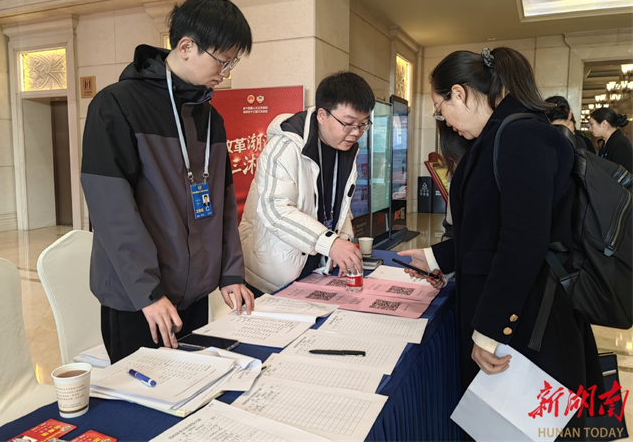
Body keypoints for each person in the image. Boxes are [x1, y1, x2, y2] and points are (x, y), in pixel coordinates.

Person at [398, 47, 602, 436]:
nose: (445, 121)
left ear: (460, 93)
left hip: (528, 322)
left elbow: (522, 242)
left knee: (525, 430)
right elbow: (487, 233)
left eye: (442, 108)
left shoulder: (521, 136)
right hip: (521, 311)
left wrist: (490, 331)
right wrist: (433, 256)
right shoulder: (500, 137)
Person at [81, 0, 255, 363]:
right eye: (223, 60)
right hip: (139, 299)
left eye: (232, 62)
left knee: (192, 392)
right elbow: (112, 211)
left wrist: (230, 274)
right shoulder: (116, 106)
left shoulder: (211, 119)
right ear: (186, 46)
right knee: (143, 405)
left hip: (193, 294)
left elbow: (221, 205)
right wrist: (148, 291)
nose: (226, 72)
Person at [239, 72, 375, 294]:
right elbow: (275, 210)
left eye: (363, 125)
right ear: (322, 115)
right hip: (272, 277)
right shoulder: (285, 148)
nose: (356, 133)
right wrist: (330, 244)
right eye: (349, 124)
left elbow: (341, 207)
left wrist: (343, 242)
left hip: (315, 270)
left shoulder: (345, 150)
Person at [589, 107, 632, 172]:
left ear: (604, 124)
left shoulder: (620, 143)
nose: (590, 128)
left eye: (592, 124)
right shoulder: (608, 142)